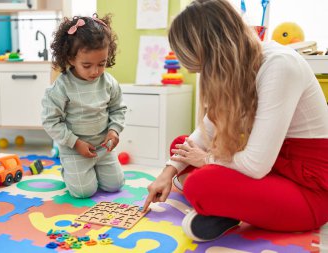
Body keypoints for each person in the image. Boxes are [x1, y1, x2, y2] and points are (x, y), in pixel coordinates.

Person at [143, 0, 328, 242]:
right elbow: (205, 130)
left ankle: (227, 205)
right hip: (271, 168)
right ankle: (231, 206)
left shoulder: (279, 66)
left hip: (310, 191)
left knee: (199, 184)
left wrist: (206, 160)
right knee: (181, 145)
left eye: (202, 69)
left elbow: (256, 164)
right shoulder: (239, 66)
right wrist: (166, 173)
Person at [42, 14, 127, 198]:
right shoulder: (62, 87)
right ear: (71, 58)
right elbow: (51, 121)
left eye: (101, 64)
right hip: (75, 150)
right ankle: (69, 171)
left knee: (115, 185)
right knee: (83, 192)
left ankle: (91, 171)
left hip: (103, 148)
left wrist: (114, 130)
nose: (95, 71)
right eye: (87, 65)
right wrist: (75, 143)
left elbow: (118, 109)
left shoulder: (109, 83)